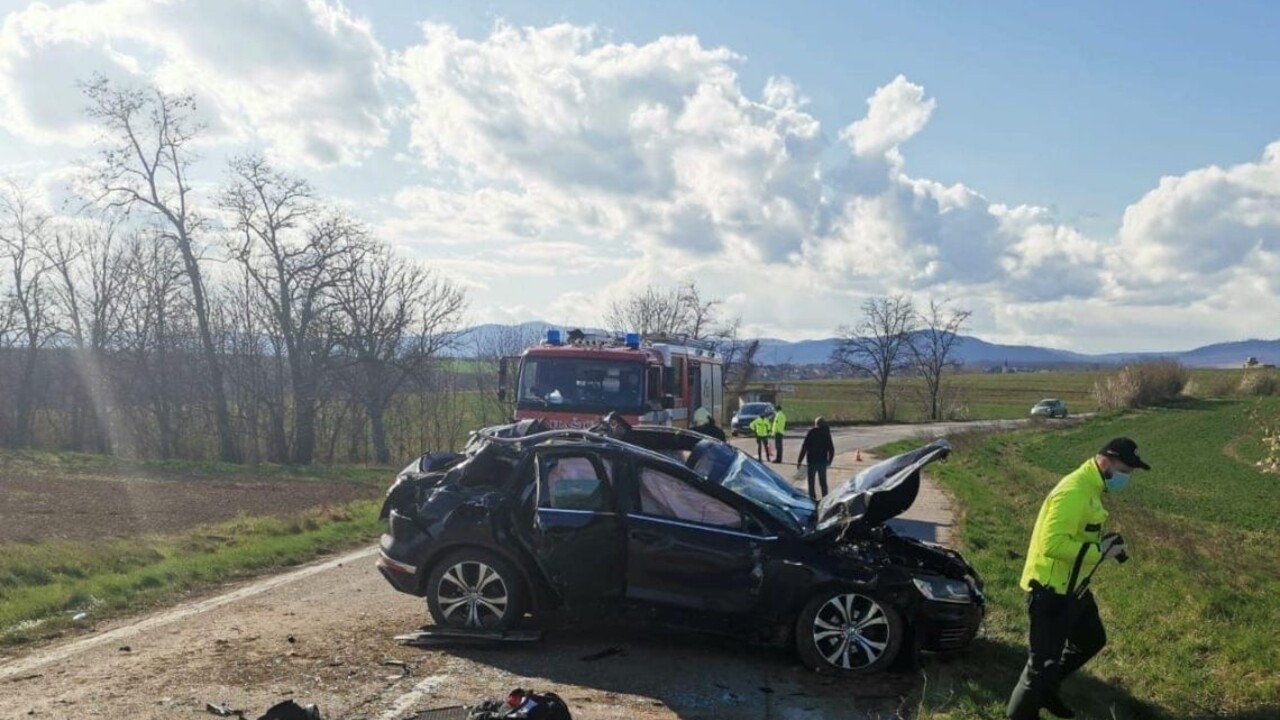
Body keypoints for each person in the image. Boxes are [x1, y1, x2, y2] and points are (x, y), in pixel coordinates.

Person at [1005, 437, 1151, 720]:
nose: (1127, 476)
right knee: (1040, 666)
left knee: (1091, 639)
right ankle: (1020, 713)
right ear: (1105, 461)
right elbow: (1053, 546)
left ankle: (1047, 690)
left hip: (1074, 589)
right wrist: (1101, 551)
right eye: (1125, 469)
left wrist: (1103, 543)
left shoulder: (1092, 487)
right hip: (1051, 592)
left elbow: (1078, 535)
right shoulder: (1074, 491)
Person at [795, 417, 836, 501]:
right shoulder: (826, 433)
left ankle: (812, 499)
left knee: (811, 483)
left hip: (812, 461)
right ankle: (825, 499)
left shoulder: (811, 432)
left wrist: (799, 460)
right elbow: (831, 449)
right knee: (823, 482)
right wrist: (829, 461)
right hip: (822, 461)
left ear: (816, 423)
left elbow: (804, 448)